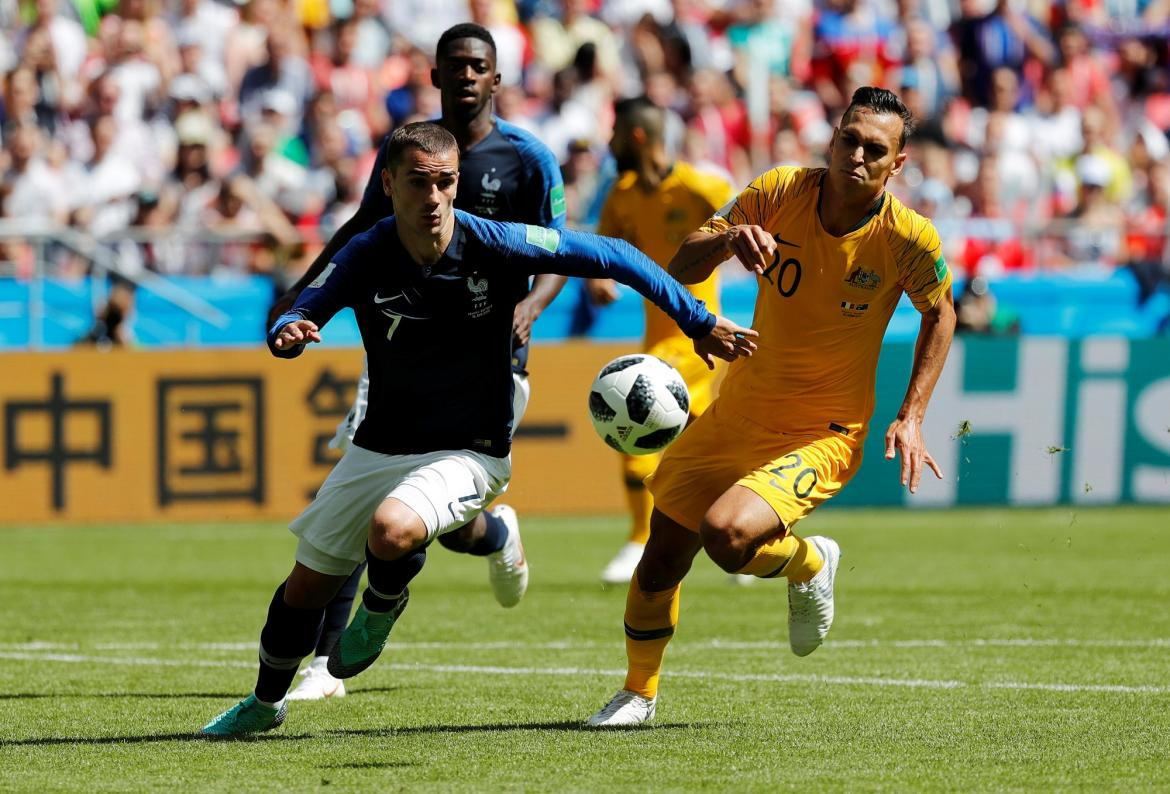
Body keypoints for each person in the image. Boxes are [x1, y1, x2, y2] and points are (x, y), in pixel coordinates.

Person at [199, 121, 757, 738]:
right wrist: (290, 332)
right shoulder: (368, 251)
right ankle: (263, 702)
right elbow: (304, 306)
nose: (434, 197)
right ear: (388, 184)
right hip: (379, 443)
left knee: (392, 528)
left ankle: (381, 609)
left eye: (445, 183)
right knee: (303, 589)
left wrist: (698, 319)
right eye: (419, 183)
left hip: (472, 449)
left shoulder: (493, 241)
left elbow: (614, 254)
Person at [585, 87, 957, 727]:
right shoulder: (778, 191)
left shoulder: (907, 238)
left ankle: (810, 561)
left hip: (823, 431)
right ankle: (637, 693)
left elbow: (941, 311)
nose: (857, 158)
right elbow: (679, 262)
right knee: (660, 560)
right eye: (850, 141)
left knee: (727, 535)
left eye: (876, 150)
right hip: (739, 411)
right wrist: (730, 239)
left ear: (897, 164)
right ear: (834, 137)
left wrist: (914, 411)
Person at [268, 23, 570, 701]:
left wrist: (532, 309)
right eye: (454, 65)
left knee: (429, 524)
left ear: (497, 79)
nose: (466, 75)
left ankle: (491, 534)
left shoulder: (527, 159)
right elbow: (361, 231)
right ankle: (325, 661)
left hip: (491, 358)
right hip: (405, 353)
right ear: (434, 75)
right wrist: (304, 299)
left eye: (478, 66)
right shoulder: (410, 152)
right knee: (375, 502)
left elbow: (559, 250)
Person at [586, 96, 736, 585]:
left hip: (700, 339)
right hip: (658, 334)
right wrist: (598, 282)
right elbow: (601, 254)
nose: (607, 144)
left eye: (613, 134)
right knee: (709, 449)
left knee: (629, 397)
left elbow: (758, 221)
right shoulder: (622, 195)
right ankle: (748, 537)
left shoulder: (701, 186)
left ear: (636, 136)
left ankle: (637, 539)